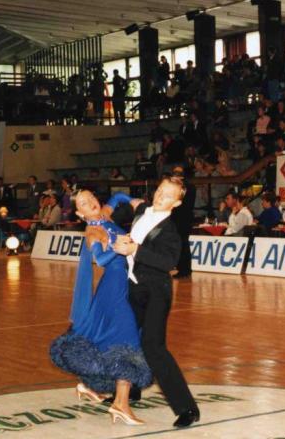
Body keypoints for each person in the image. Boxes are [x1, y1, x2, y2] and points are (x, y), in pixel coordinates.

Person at [50, 190, 152, 426]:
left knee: (110, 337)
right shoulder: (93, 231)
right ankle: (121, 404)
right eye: (84, 203)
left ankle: (87, 386)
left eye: (91, 198)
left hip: (124, 284)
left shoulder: (105, 215)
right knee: (128, 340)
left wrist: (132, 201)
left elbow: (117, 197)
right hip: (114, 288)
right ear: (80, 214)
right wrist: (117, 246)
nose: (91, 203)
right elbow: (101, 260)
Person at [111, 177, 200, 429]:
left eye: (168, 195)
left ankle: (187, 408)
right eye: (160, 190)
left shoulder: (171, 230)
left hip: (156, 292)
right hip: (134, 287)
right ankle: (130, 392)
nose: (161, 196)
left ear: (177, 203)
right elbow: (121, 205)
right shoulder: (142, 211)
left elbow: (168, 262)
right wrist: (107, 212)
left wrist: (135, 250)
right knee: (129, 340)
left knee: (153, 347)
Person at [171, 166, 195, 278]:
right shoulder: (190, 186)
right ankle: (185, 268)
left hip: (181, 219)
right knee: (183, 244)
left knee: (182, 245)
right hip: (185, 219)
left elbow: (181, 205)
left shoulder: (183, 188)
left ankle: (183, 269)